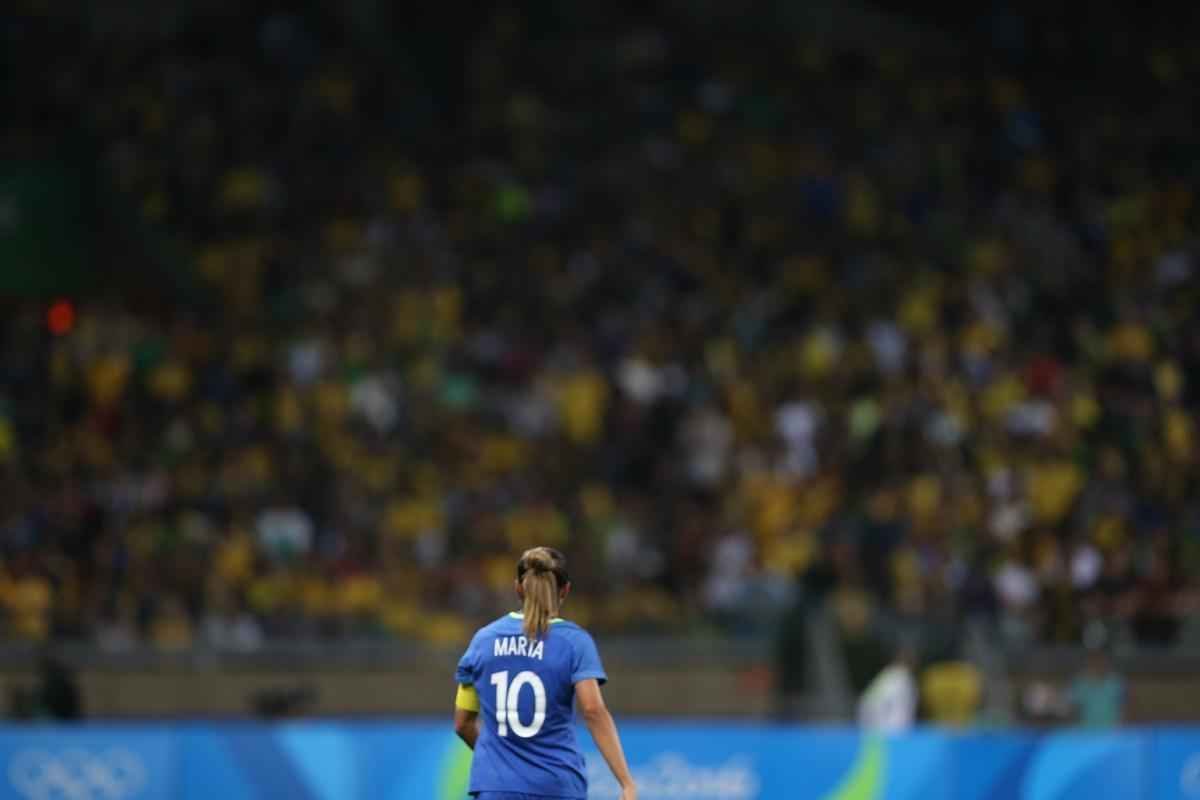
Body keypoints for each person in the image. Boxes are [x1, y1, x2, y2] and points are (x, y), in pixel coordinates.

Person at [453, 547, 637, 800]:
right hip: (555, 785)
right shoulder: (574, 643)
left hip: (496, 787)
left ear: (518, 587)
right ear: (565, 590)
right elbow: (593, 711)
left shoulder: (482, 641)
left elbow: (463, 723)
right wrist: (626, 782)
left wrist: (498, 762)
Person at [857, 644, 918, 733]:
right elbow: (901, 712)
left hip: (870, 728)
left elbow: (865, 704)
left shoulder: (885, 675)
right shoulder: (902, 678)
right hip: (889, 731)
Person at [1067, 647, 1124, 728]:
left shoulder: (1116, 682)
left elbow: (1125, 706)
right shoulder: (1079, 683)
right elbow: (1069, 709)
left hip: (1112, 731)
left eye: (1102, 660)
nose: (1098, 664)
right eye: (1094, 660)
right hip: (1086, 731)